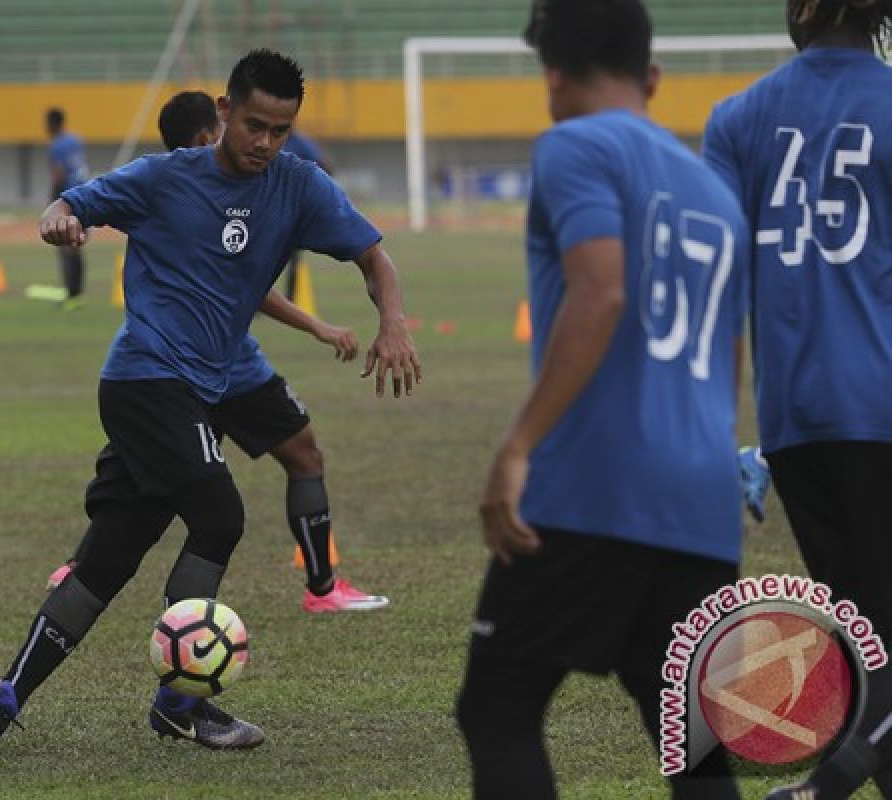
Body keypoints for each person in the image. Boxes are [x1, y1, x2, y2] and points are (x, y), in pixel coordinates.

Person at [0, 49, 420, 760]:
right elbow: (71, 201)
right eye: (254, 125)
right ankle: (180, 702)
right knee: (220, 512)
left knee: (109, 560)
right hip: (144, 382)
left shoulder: (297, 187)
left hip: (197, 390)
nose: (265, 142)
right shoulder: (164, 177)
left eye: (281, 130)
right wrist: (61, 220)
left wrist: (392, 322)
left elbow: (374, 257)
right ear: (225, 112)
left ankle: (1, 699)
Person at [456, 1, 749, 798]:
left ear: (551, 75)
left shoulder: (572, 146)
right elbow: (731, 351)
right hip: (701, 504)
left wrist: (516, 447)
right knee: (694, 742)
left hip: (595, 488)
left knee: (499, 709)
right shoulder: (718, 193)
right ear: (653, 76)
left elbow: (601, 292)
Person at [45, 90, 390, 613]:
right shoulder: (185, 185)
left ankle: (84, 567)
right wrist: (319, 326)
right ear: (210, 133)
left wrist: (320, 326)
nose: (259, 142)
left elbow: (250, 283)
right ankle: (319, 589)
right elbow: (252, 287)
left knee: (150, 476)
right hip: (205, 367)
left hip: (182, 365)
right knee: (262, 471)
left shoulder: (226, 180)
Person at [703, 2, 892, 797]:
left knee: (872, 641)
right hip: (883, 406)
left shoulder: (738, 116)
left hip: (794, 421)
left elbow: (712, 275)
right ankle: (827, 787)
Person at [280, 129, 333, 300]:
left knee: (292, 257)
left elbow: (323, 165)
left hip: (294, 210)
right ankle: (257, 301)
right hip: (269, 206)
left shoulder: (301, 143)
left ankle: (290, 299)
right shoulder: (272, 139)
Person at [46, 108, 90, 310]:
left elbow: (59, 174)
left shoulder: (56, 145)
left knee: (67, 248)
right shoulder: (75, 140)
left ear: (50, 125)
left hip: (68, 199)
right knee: (76, 245)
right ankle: (77, 294)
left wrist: (52, 202)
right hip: (84, 196)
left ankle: (72, 295)